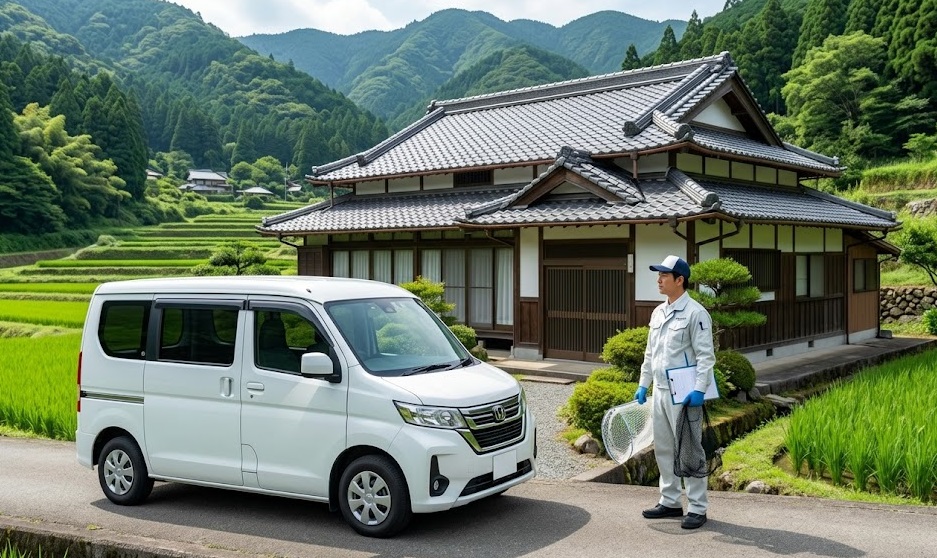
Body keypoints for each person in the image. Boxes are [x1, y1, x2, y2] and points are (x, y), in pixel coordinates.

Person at [633, 255, 715, 530]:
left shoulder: (696, 313)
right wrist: (644, 383)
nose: (659, 280)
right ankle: (669, 501)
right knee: (665, 448)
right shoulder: (658, 312)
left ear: (680, 280)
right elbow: (650, 353)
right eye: (658, 275)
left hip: (685, 393)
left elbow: (706, 357)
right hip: (660, 391)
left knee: (689, 451)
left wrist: (699, 390)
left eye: (664, 275)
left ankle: (698, 507)